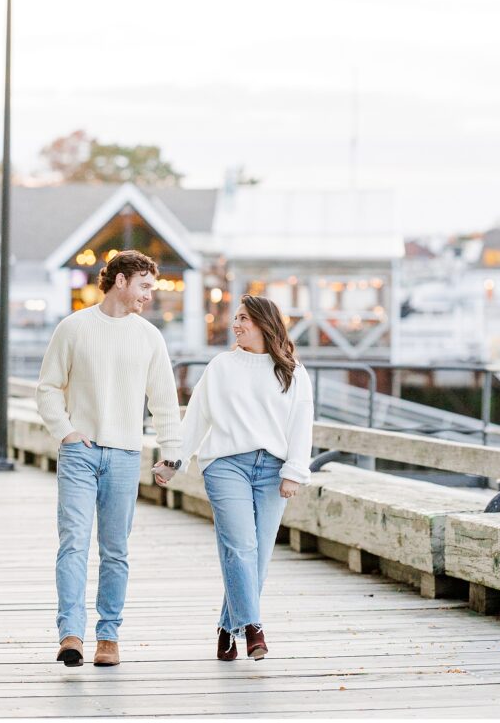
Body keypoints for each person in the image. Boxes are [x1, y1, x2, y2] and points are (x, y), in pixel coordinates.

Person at [36, 249, 182, 668]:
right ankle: (70, 635)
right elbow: (48, 387)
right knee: (74, 543)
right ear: (121, 281)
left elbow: (165, 403)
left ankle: (109, 637)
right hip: (79, 453)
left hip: (125, 455)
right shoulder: (74, 328)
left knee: (115, 550)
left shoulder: (149, 337)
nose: (149, 296)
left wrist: (171, 454)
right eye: (145, 286)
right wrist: (65, 432)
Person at [153, 294, 313, 662]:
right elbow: (196, 418)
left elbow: (301, 424)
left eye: (243, 318)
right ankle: (254, 628)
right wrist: (173, 462)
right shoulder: (222, 365)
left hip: (273, 469)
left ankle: (229, 626)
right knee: (240, 546)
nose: (236, 325)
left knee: (258, 557)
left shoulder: (291, 371)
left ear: (264, 324)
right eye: (236, 318)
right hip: (227, 466)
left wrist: (294, 471)